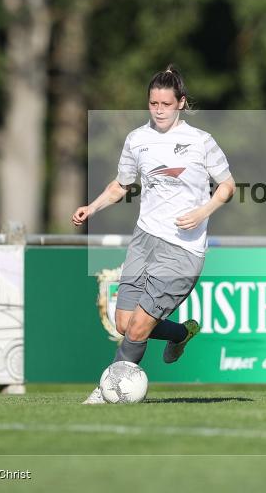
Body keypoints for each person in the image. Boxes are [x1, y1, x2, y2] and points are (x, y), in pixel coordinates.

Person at [72, 65, 235, 404]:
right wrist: (92, 207)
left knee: (137, 330)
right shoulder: (137, 140)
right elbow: (121, 184)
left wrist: (202, 212)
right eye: (153, 104)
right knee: (123, 323)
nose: (159, 110)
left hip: (182, 250)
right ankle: (180, 332)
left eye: (166, 104)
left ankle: (107, 391)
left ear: (181, 103)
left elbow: (228, 187)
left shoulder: (200, 142)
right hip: (144, 241)